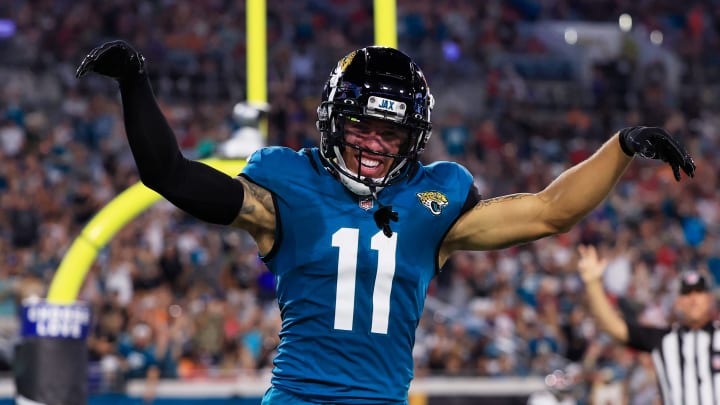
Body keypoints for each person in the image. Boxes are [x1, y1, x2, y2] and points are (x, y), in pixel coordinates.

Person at [74, 40, 696, 404]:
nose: (374, 141)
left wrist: (621, 147)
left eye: (390, 130)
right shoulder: (287, 188)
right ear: (334, 120)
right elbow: (171, 175)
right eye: (362, 124)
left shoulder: (437, 207)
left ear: (412, 136)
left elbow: (552, 210)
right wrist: (135, 82)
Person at [577, 245, 718, 405]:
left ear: (709, 299)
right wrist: (593, 283)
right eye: (687, 294)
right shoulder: (664, 339)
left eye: (699, 293)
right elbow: (615, 328)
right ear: (678, 302)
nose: (693, 300)